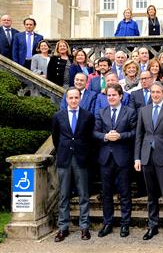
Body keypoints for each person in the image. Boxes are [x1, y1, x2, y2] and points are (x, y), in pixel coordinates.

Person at [134, 81, 163, 241]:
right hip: (146, 157)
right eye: (152, 92)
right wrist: (137, 157)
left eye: (158, 92)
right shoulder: (143, 110)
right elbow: (139, 136)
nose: (155, 94)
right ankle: (152, 225)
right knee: (151, 195)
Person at [94, 84, 137, 238]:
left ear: (121, 96)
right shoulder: (101, 112)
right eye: (109, 95)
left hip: (123, 157)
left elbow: (134, 133)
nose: (111, 98)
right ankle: (107, 223)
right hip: (105, 158)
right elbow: (95, 132)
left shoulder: (130, 112)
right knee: (106, 193)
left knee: (125, 193)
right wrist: (105, 136)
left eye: (114, 95)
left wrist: (121, 136)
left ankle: (125, 224)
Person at [52, 87, 95, 242]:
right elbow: (56, 138)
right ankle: (63, 228)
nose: (73, 100)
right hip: (64, 159)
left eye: (76, 97)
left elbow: (90, 138)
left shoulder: (88, 116)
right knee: (63, 195)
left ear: (80, 99)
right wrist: (63, 151)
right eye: (70, 98)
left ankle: (84, 227)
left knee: (83, 194)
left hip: (81, 159)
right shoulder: (58, 116)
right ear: (66, 99)